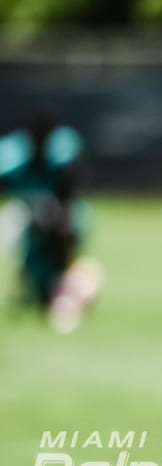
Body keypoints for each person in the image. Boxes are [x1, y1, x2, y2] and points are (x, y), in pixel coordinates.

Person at [0, 113, 100, 333]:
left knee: (59, 276)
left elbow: (73, 188)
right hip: (27, 219)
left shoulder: (63, 153)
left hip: (59, 220)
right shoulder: (12, 156)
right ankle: (38, 288)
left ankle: (66, 288)